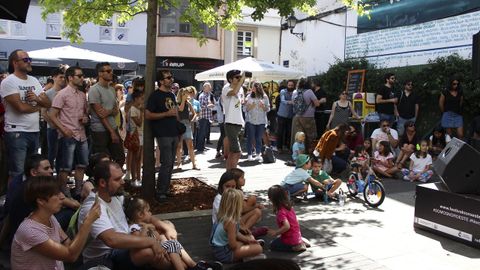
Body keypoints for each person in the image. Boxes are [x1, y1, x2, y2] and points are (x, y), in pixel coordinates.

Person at [78, 160, 177, 269]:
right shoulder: (93, 206)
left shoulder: (116, 197)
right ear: (102, 183)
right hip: (105, 257)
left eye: (122, 177)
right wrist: (150, 242)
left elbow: (141, 212)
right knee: (148, 251)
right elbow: (112, 240)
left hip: (126, 243)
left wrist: (165, 227)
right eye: (117, 179)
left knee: (165, 227)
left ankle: (179, 264)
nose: (123, 182)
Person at [10, 176, 100, 270]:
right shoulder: (30, 231)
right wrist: (88, 222)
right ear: (41, 201)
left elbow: (68, 244)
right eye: (56, 194)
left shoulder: (50, 217)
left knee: (104, 261)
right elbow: (70, 256)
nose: (62, 197)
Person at [124, 198, 223, 270]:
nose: (150, 213)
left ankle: (194, 265)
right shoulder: (135, 228)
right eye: (148, 211)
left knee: (173, 243)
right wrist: (145, 229)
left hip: (158, 247)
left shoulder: (148, 225)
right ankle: (194, 266)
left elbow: (157, 238)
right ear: (140, 215)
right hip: (153, 252)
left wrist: (152, 230)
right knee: (171, 244)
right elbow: (139, 242)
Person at [0, 49, 51, 178]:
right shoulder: (8, 82)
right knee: (17, 172)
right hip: (17, 133)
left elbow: (48, 103)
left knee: (32, 172)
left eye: (30, 59)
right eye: (26, 60)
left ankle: (28, 197)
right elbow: (20, 108)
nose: (29, 62)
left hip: (34, 131)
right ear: (15, 63)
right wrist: (39, 105)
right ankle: (13, 198)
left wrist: (38, 100)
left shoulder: (34, 80)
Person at [49, 66, 89, 198]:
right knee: (65, 167)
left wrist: (85, 118)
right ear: (70, 78)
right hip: (68, 135)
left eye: (82, 75)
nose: (82, 78)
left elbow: (85, 114)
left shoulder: (83, 95)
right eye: (79, 76)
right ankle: (64, 192)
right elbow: (52, 115)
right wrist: (63, 130)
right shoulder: (62, 94)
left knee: (82, 164)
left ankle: (78, 191)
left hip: (81, 135)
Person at [145, 69, 179, 202]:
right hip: (163, 133)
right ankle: (160, 192)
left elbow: (175, 112)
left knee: (171, 164)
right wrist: (165, 114)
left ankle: (165, 189)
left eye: (171, 77)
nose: (171, 79)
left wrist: (178, 128)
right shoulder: (155, 96)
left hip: (174, 132)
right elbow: (148, 115)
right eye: (168, 78)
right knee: (166, 163)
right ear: (160, 81)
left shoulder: (171, 95)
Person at [210, 188, 265, 263]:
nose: (244, 203)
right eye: (242, 202)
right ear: (236, 206)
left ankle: (249, 252)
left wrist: (248, 240)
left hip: (221, 248)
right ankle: (248, 257)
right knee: (258, 249)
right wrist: (244, 243)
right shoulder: (230, 222)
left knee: (250, 237)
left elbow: (236, 233)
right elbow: (233, 246)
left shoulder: (225, 216)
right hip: (225, 254)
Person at [88, 62, 125, 167]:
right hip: (100, 130)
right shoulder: (94, 90)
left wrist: (108, 111)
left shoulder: (112, 89)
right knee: (103, 160)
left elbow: (115, 110)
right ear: (100, 73)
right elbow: (100, 114)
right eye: (108, 71)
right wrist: (112, 132)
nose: (111, 73)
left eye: (111, 71)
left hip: (113, 126)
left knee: (120, 157)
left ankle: (113, 180)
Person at [266, 185, 310, 252]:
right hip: (296, 234)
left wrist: (276, 232)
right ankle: (300, 240)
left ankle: (296, 247)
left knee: (273, 245)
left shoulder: (281, 212)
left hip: (290, 240)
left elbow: (287, 226)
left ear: (272, 199)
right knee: (281, 239)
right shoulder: (289, 208)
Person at [42, 67, 67, 173]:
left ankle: (60, 179)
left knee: (62, 155)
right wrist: (53, 125)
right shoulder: (48, 93)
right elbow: (43, 112)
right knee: (51, 154)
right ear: (54, 78)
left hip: (65, 128)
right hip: (52, 129)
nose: (63, 79)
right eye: (60, 77)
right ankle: (49, 177)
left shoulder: (66, 92)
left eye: (64, 77)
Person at [230, 168, 265, 237]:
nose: (244, 179)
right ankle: (245, 231)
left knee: (253, 201)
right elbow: (242, 210)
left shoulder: (237, 191)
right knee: (257, 211)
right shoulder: (236, 193)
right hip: (234, 222)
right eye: (242, 178)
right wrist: (257, 205)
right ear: (236, 180)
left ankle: (245, 229)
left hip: (236, 219)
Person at [221, 70, 245, 170]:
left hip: (239, 122)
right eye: (237, 77)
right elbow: (234, 92)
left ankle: (229, 173)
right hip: (230, 123)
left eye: (240, 77)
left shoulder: (241, 89)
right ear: (230, 79)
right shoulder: (226, 88)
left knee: (232, 152)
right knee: (237, 152)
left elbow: (241, 100)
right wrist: (242, 81)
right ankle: (233, 174)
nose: (239, 79)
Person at [290, 78, 320, 152]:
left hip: (297, 117)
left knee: (299, 137)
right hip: (308, 117)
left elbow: (293, 103)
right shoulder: (309, 92)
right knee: (311, 136)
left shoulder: (295, 92)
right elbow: (317, 104)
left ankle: (299, 154)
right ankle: (310, 153)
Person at [245, 82, 270, 162]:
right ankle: (249, 154)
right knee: (250, 137)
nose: (252, 89)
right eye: (252, 87)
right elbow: (245, 109)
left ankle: (258, 154)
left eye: (254, 88)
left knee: (258, 138)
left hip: (261, 120)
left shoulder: (264, 97)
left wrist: (263, 106)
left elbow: (268, 109)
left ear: (258, 88)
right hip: (250, 120)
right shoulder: (249, 96)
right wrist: (250, 106)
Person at [175, 87, 198, 170]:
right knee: (179, 146)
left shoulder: (188, 103)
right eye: (185, 93)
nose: (187, 95)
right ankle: (179, 164)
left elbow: (194, 113)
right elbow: (180, 109)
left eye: (187, 93)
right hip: (179, 124)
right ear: (182, 94)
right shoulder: (178, 103)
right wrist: (184, 100)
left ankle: (194, 164)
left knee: (190, 145)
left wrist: (192, 119)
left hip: (187, 124)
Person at [128, 91, 145, 185]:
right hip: (136, 135)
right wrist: (142, 112)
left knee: (139, 158)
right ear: (136, 99)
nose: (142, 100)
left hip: (141, 134)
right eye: (141, 98)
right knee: (135, 157)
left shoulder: (138, 109)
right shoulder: (133, 109)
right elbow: (138, 123)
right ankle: (134, 178)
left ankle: (139, 177)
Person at [276, 80, 295, 153]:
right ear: (287, 85)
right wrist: (291, 102)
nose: (290, 86)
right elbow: (283, 100)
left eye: (292, 85)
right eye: (289, 85)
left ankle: (287, 147)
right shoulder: (283, 91)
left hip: (290, 115)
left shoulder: (294, 92)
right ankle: (279, 148)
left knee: (289, 132)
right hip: (282, 114)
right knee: (280, 132)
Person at [196, 82, 215, 152]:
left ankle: (202, 146)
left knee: (204, 133)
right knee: (202, 133)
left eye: (210, 87)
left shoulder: (208, 95)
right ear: (204, 88)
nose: (210, 88)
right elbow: (200, 107)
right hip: (203, 117)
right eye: (208, 87)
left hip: (207, 117)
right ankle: (200, 148)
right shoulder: (202, 96)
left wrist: (211, 105)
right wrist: (208, 106)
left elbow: (211, 104)